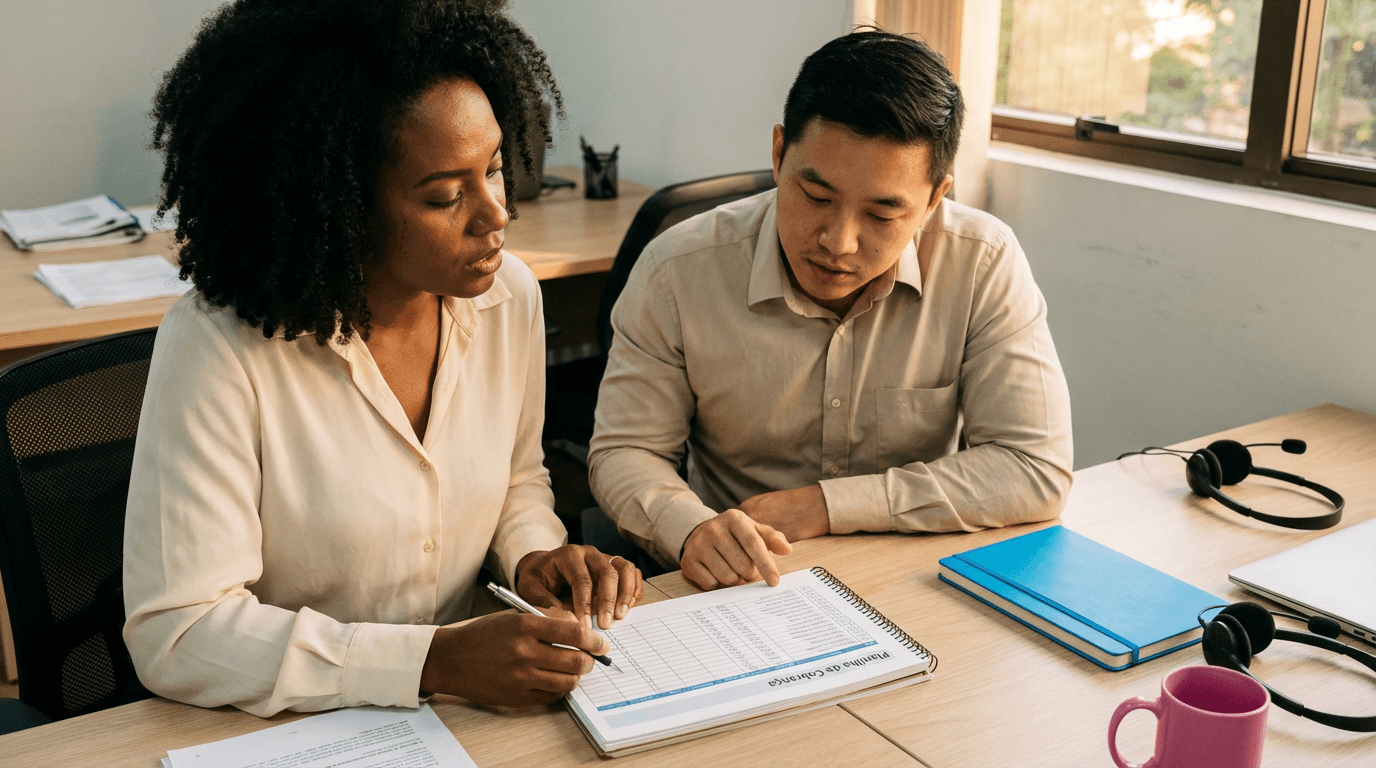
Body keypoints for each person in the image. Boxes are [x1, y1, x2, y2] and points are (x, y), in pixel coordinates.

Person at [123, 0, 642, 717]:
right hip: (294, 726)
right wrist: (430, 661)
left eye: (495, 170)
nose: (496, 215)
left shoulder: (508, 297)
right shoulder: (220, 347)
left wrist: (534, 555)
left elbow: (517, 478)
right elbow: (178, 633)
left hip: (473, 716)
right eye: (446, 196)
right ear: (338, 201)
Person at [587, 30, 1074, 592]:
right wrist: (693, 529)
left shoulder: (982, 261)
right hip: (739, 581)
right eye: (816, 197)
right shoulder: (678, 270)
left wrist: (824, 506)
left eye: (882, 214)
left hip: (910, 577)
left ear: (935, 198)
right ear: (777, 154)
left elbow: (1034, 468)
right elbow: (627, 449)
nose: (839, 242)